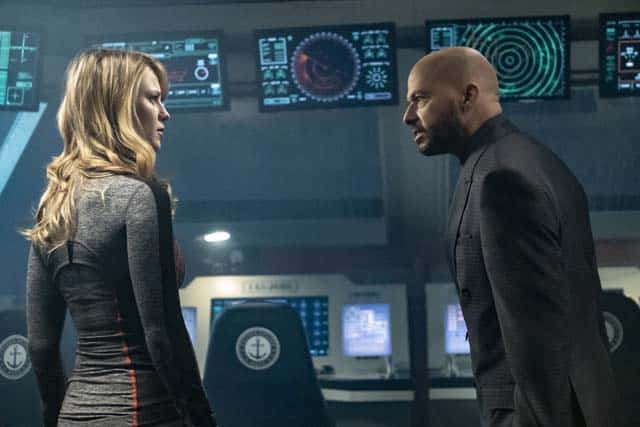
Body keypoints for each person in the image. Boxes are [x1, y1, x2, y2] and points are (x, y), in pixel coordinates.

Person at [402, 47, 622, 426]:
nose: (408, 116)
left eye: (420, 99)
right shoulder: (532, 160)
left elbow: (536, 334)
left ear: (468, 97)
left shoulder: (501, 178)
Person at [24, 49, 215, 426]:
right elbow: (162, 333)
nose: (164, 113)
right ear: (119, 108)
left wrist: (57, 419)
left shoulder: (53, 207)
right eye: (153, 99)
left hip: (74, 416)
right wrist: (202, 419)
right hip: (145, 413)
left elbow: (41, 348)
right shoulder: (141, 196)